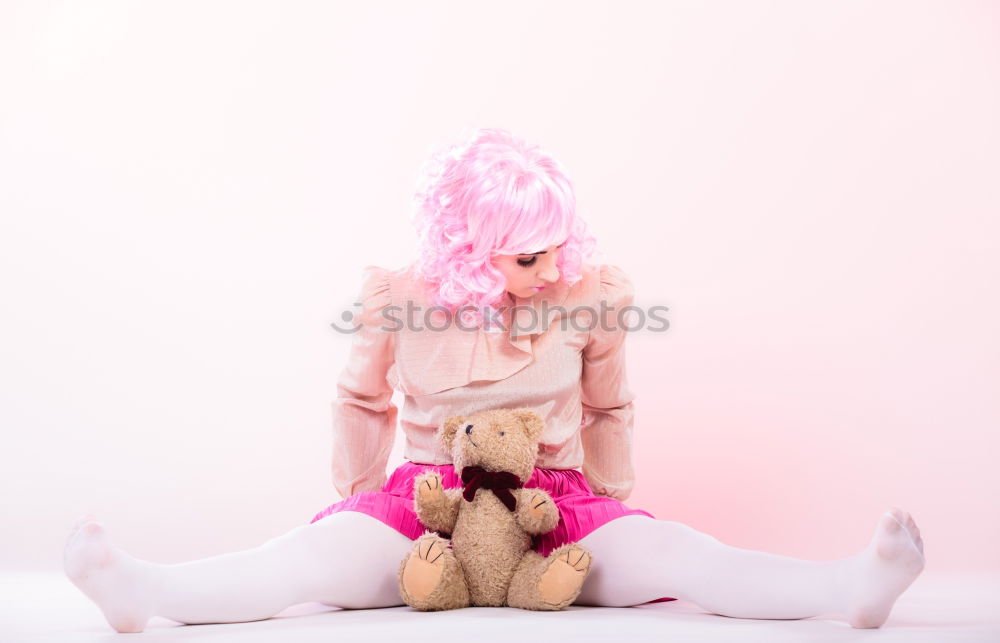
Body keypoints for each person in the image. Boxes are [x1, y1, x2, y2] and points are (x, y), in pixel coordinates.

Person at [63, 127, 925, 633]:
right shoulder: (398, 298)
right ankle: (144, 591)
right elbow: (360, 400)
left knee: (679, 554)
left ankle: (852, 587)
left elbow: (607, 405)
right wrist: (358, 504)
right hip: (423, 501)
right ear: (471, 249)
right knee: (305, 562)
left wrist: (608, 501)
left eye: (557, 241)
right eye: (527, 251)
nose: (552, 264)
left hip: (554, 501)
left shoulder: (588, 296)